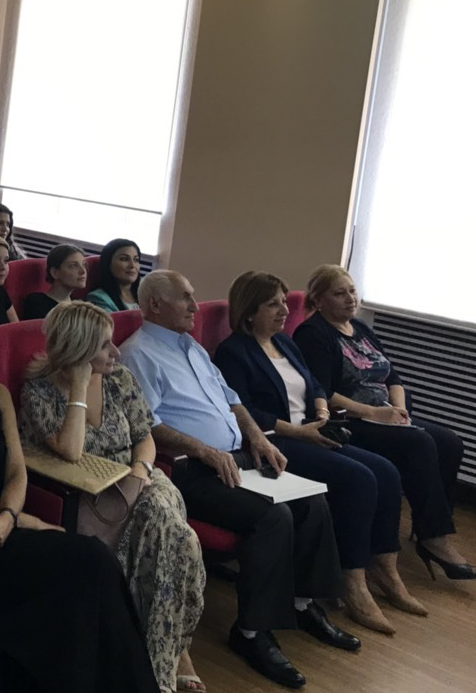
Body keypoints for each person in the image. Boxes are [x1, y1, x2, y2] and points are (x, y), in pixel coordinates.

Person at [0, 299, 160, 692]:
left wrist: (11, 516)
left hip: (7, 522)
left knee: (94, 568)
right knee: (89, 562)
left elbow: (16, 470)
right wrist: (26, 521)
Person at [120, 270, 354, 690]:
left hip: (238, 457)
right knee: (273, 517)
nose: (196, 306)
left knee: (312, 502)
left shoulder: (192, 347)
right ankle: (250, 632)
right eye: (186, 298)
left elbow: (233, 400)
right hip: (190, 470)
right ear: (154, 304)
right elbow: (148, 425)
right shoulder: (138, 354)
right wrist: (205, 450)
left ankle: (302, 603)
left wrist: (258, 437)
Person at [215, 271, 424, 634]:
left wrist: (323, 412)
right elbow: (244, 410)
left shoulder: (285, 342)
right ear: (249, 312)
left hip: (312, 429)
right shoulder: (234, 351)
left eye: (284, 302)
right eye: (273, 304)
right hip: (278, 441)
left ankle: (385, 569)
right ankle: (352, 581)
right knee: (359, 479)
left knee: (387, 473)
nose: (285, 310)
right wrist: (300, 431)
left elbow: (314, 384)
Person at [18, 301, 206, 693]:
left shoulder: (120, 379)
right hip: (90, 494)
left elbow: (144, 437)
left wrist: (141, 471)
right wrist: (79, 385)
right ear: (80, 348)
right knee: (177, 539)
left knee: (170, 527)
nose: (116, 353)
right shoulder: (38, 391)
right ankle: (171, 658)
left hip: (138, 476)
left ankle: (162, 665)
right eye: (105, 345)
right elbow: (71, 451)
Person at [293, 264, 476, 582]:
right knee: (420, 443)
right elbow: (322, 391)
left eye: (352, 291)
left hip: (386, 414)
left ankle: (430, 527)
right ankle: (434, 539)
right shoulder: (313, 333)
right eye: (339, 293)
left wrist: (399, 411)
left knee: (450, 442)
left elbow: (393, 377)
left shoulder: (360, 328)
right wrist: (373, 413)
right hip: (351, 419)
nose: (350, 299)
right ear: (319, 300)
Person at [21, 244, 86, 320]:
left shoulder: (80, 305)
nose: (83, 271)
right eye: (73, 266)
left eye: (84, 265)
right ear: (55, 273)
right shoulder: (37, 303)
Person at [87, 238, 143, 312]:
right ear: (108, 263)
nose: (132, 265)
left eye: (136, 260)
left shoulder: (147, 293)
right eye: (124, 259)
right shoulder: (98, 298)